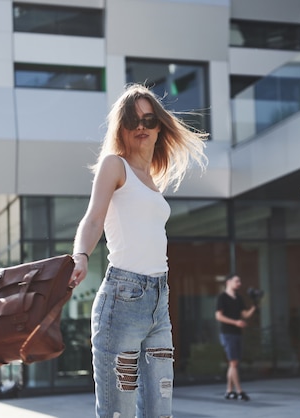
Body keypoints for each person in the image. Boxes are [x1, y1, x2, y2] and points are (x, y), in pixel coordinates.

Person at [69, 83, 208, 418]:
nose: (141, 127)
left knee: (160, 412)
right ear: (122, 128)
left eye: (148, 119)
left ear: (160, 125)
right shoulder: (115, 165)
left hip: (158, 303)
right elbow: (93, 218)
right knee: (120, 414)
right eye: (132, 121)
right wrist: (81, 256)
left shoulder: (151, 179)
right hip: (123, 299)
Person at [215, 274, 257, 401]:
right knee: (234, 363)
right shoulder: (222, 297)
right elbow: (218, 316)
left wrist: (254, 306)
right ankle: (239, 391)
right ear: (228, 282)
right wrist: (235, 322)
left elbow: (245, 314)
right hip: (227, 333)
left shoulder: (238, 298)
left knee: (234, 364)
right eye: (236, 281)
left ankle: (229, 391)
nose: (239, 283)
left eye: (240, 281)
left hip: (237, 333)